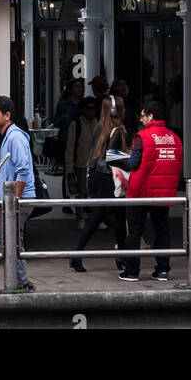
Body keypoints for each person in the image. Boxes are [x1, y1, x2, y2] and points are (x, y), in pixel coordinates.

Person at [118, 99, 183, 282]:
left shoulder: (142, 137)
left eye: (143, 116)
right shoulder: (174, 138)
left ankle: (131, 272)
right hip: (163, 192)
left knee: (134, 231)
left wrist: (120, 159)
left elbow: (133, 163)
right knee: (162, 230)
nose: (140, 120)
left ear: (151, 116)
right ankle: (162, 270)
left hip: (141, 191)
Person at [69, 95, 128, 273]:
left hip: (95, 176)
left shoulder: (99, 128)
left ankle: (78, 255)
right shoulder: (117, 130)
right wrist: (130, 158)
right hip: (108, 178)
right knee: (118, 217)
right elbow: (112, 156)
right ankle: (121, 257)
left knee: (100, 216)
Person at [0, 94, 37, 292]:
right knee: (10, 241)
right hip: (11, 200)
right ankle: (18, 282)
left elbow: (24, 169)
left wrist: (15, 199)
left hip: (19, 199)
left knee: (5, 240)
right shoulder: (6, 136)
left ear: (7, 115)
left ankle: (20, 282)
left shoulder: (15, 137)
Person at [65, 97, 98, 226]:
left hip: (95, 164)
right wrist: (69, 166)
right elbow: (70, 147)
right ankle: (80, 216)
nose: (91, 111)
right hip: (81, 164)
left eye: (94, 108)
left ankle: (95, 218)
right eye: (88, 108)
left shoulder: (98, 124)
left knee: (95, 193)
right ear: (83, 110)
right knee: (81, 192)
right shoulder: (76, 124)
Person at [53, 78, 84, 212]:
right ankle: (66, 201)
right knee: (68, 170)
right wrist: (62, 119)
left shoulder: (83, 104)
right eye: (77, 87)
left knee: (81, 170)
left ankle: (82, 200)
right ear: (71, 89)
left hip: (82, 139)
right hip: (66, 139)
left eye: (80, 87)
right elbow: (55, 122)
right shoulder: (63, 104)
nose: (79, 89)